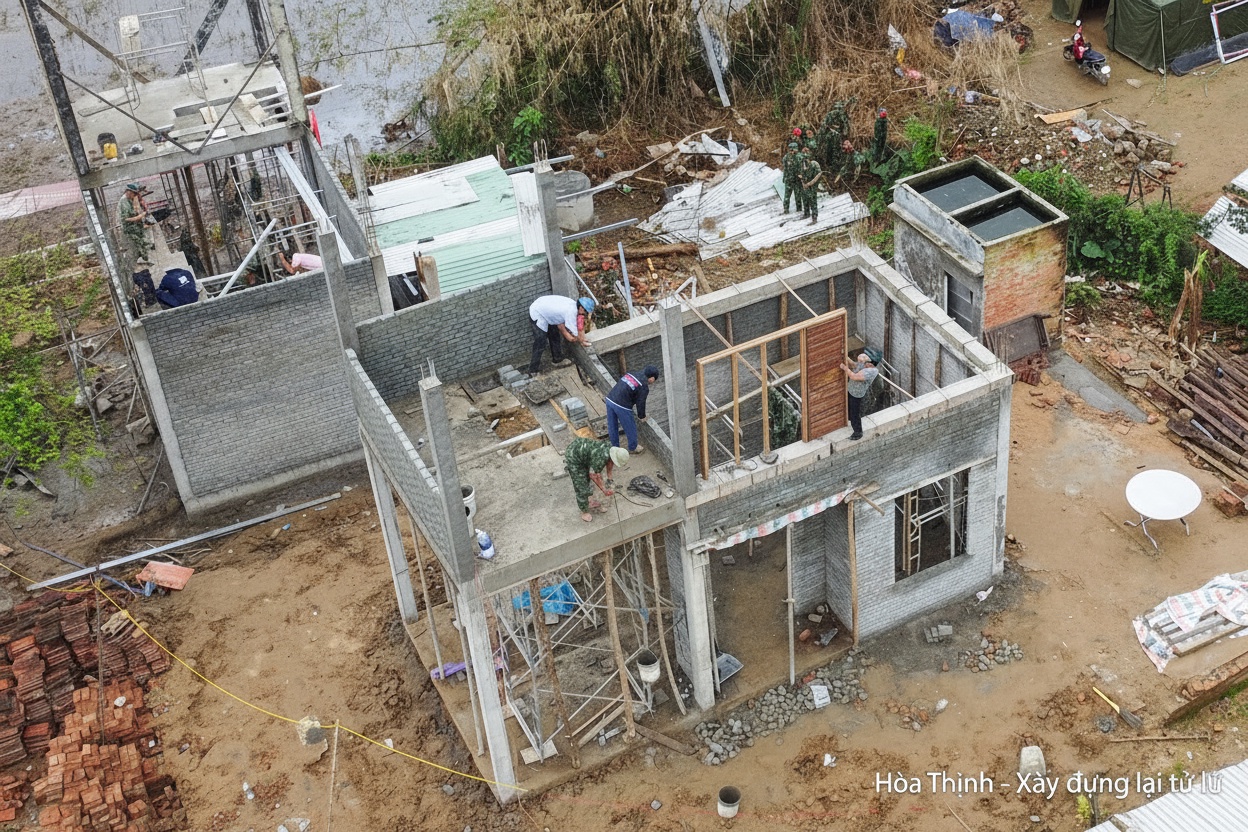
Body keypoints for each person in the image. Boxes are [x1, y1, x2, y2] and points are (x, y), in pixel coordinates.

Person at [564, 437, 628, 522]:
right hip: (574, 456)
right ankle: (584, 511)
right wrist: (604, 490)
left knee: (585, 478)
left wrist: (610, 479)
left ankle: (589, 502)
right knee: (581, 485)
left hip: (583, 453)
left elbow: (610, 463)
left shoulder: (611, 449)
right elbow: (594, 476)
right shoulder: (600, 458)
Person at [528, 295, 594, 375]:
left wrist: (581, 337)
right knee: (540, 342)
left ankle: (557, 359)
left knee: (554, 334)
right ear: (581, 308)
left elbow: (563, 326)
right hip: (538, 312)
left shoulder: (573, 305)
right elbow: (575, 332)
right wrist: (582, 341)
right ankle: (532, 370)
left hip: (547, 311)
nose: (585, 314)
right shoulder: (570, 312)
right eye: (585, 312)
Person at [605, 365, 659, 455]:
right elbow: (640, 403)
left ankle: (614, 446)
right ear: (652, 379)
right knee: (630, 425)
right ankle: (633, 447)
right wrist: (642, 416)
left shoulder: (632, 373)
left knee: (612, 425)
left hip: (610, 399)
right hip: (622, 405)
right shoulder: (643, 386)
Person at [842, 352, 879, 440]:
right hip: (850, 390)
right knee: (848, 408)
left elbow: (854, 377)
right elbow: (854, 365)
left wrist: (844, 368)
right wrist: (845, 356)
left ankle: (858, 432)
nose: (862, 363)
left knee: (855, 413)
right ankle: (848, 420)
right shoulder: (865, 365)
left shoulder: (871, 371)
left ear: (871, 363)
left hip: (857, 394)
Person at [118, 183, 152, 268]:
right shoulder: (124, 202)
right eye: (134, 194)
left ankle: (145, 256)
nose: (135, 196)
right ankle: (145, 258)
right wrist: (139, 216)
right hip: (129, 227)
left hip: (134, 224)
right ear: (129, 192)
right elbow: (125, 219)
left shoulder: (129, 199)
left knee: (143, 238)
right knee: (142, 242)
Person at [799, 147, 822, 224]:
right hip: (805, 184)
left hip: (812, 184)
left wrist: (811, 183)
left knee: (813, 200)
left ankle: (814, 217)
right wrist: (803, 183)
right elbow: (801, 174)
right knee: (805, 199)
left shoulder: (814, 164)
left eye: (806, 153)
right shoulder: (802, 164)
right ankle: (807, 213)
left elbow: (819, 174)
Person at [781, 141, 802, 215]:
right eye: (791, 150)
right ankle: (786, 209)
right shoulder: (786, 157)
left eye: (793, 149)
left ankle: (799, 208)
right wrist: (784, 177)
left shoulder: (799, 156)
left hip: (797, 180)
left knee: (798, 195)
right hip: (789, 179)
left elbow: (801, 167)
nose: (792, 151)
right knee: (787, 195)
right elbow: (785, 168)